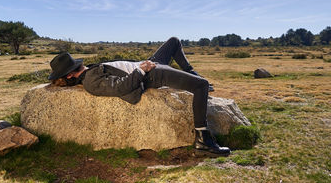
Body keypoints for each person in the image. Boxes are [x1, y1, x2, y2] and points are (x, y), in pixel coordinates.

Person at [48, 37, 230, 155]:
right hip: (152, 74)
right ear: (70, 75)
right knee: (202, 86)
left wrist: (142, 64)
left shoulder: (90, 71)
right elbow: (120, 87)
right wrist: (142, 70)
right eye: (72, 67)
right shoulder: (90, 82)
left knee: (174, 41)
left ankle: (193, 74)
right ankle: (203, 139)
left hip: (148, 65)